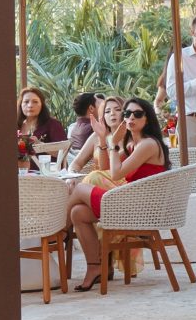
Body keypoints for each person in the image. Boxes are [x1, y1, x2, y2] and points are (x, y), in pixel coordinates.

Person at [67, 99, 171, 291]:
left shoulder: (147, 144)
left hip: (141, 210)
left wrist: (113, 143)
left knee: (81, 188)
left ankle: (60, 230)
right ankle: (95, 267)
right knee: (78, 213)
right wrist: (102, 140)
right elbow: (107, 168)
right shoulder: (133, 143)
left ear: (147, 119)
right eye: (127, 114)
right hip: (130, 203)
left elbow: (115, 174)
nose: (130, 117)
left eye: (137, 114)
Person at [163, 13, 196, 152]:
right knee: (194, 166)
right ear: (192, 32)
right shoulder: (179, 57)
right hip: (191, 121)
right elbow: (172, 92)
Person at [15, 87, 67, 168]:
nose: (30, 105)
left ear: (42, 105)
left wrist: (40, 145)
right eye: (26, 102)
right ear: (20, 104)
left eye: (35, 102)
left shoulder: (52, 124)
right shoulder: (16, 125)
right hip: (19, 174)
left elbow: (63, 151)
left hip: (48, 174)